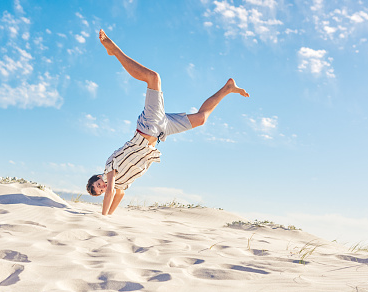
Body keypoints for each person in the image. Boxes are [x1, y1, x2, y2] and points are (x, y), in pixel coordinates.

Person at [87, 29, 249, 215]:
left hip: (148, 126)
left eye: (98, 184)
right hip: (162, 131)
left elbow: (110, 191)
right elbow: (119, 194)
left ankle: (114, 50)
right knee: (202, 119)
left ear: (99, 176)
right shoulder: (121, 184)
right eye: (99, 190)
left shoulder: (109, 167)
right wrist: (110, 215)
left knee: (153, 78)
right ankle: (228, 88)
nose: (102, 186)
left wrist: (103, 219)